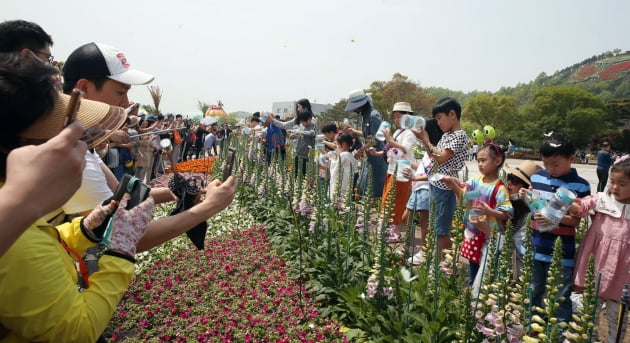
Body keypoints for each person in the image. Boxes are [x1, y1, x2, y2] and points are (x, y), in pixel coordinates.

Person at [0, 52, 155, 342]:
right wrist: (121, 250)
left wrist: (82, 230)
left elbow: (37, 235)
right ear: (25, 150)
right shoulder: (20, 243)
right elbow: (77, 332)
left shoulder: (16, 218)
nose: (82, 148)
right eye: (70, 135)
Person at [61, 42, 237, 252]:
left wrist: (176, 192)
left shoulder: (82, 144)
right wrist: (210, 206)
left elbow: (118, 194)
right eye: (120, 92)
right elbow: (122, 237)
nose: (127, 104)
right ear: (84, 89)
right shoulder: (72, 158)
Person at [528, 132, 590, 324]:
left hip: (563, 249)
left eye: (555, 164)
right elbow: (534, 205)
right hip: (536, 245)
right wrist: (533, 207)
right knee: (534, 289)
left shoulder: (580, 185)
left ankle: (560, 331)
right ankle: (531, 326)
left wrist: (554, 217)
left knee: (560, 295)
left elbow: (575, 221)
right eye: (545, 163)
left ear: (571, 159)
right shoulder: (538, 177)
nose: (549, 169)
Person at [570, 156, 630, 343]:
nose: (615, 187)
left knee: (617, 314)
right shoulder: (603, 199)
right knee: (590, 308)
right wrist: (568, 202)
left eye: (622, 183)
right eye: (612, 181)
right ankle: (590, 339)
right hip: (596, 264)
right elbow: (582, 206)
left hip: (623, 270)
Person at [442, 143, 512, 286]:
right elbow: (465, 196)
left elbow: (506, 214)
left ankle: (478, 294)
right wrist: (455, 185)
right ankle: (472, 289)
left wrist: (490, 211)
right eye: (478, 160)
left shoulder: (500, 189)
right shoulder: (475, 181)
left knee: (486, 269)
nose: (480, 164)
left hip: (489, 236)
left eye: (483, 160)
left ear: (497, 161)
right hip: (473, 233)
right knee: (473, 264)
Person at [411, 97, 469, 256]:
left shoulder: (459, 135)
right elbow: (433, 156)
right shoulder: (446, 135)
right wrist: (424, 141)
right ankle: (437, 262)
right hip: (436, 185)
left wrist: (427, 140)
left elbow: (442, 157)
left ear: (452, 114)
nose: (438, 123)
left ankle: (444, 266)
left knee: (441, 230)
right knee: (435, 226)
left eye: (439, 118)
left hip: (445, 187)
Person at [369, 102, 419, 238]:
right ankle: (386, 227)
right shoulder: (397, 131)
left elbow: (404, 150)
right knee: (387, 199)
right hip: (391, 170)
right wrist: (379, 153)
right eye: (395, 117)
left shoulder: (410, 133)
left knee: (397, 201)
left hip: (402, 172)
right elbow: (392, 150)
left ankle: (394, 231)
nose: (397, 120)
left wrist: (389, 139)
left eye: (400, 116)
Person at [343, 89, 388, 199]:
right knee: (367, 187)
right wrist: (353, 131)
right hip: (370, 155)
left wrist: (360, 150)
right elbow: (367, 134)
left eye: (355, 107)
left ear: (361, 105)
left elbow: (375, 139)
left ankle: (373, 212)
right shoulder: (366, 115)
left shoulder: (373, 116)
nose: (354, 110)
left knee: (373, 188)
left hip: (377, 156)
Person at [503, 160, 542, 279]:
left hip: (520, 273)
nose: (508, 182)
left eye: (514, 181)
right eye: (509, 177)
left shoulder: (531, 215)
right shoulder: (506, 203)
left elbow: (518, 245)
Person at [268, 101, 317, 177]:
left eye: (299, 107)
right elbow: (285, 125)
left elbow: (312, 133)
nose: (297, 109)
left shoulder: (311, 121)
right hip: (297, 153)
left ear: (305, 107)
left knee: (304, 177)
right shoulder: (300, 120)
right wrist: (273, 121)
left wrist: (299, 132)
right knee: (295, 176)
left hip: (307, 156)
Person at [329, 133, 358, 204]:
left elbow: (336, 166)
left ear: (344, 144)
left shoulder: (343, 155)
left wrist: (332, 160)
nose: (337, 147)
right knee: (345, 198)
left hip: (341, 180)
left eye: (338, 145)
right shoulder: (351, 155)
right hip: (348, 180)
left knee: (338, 198)